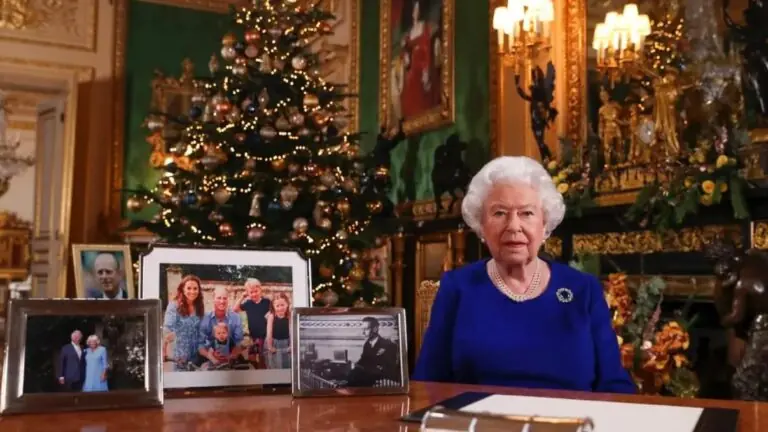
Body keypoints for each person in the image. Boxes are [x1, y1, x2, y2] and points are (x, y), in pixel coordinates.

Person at [413, 156, 637, 394]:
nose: (513, 226)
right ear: (481, 226)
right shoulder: (457, 288)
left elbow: (614, 384)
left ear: (545, 224)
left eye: (527, 213)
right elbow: (427, 383)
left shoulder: (584, 290)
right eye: (499, 213)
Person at [163, 274, 205, 371]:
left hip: (196, 355)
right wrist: (163, 350)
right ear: (182, 289)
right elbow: (167, 329)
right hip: (180, 356)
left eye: (195, 288)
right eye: (189, 288)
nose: (192, 291)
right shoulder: (174, 306)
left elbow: (201, 330)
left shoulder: (199, 306)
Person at [346, 317, 399, 387]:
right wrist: (354, 364)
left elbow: (388, 368)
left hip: (381, 377)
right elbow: (363, 360)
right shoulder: (367, 344)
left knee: (355, 377)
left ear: (375, 329)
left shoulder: (388, 345)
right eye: (362, 329)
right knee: (350, 374)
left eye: (366, 329)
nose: (363, 332)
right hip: (368, 375)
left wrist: (365, 369)